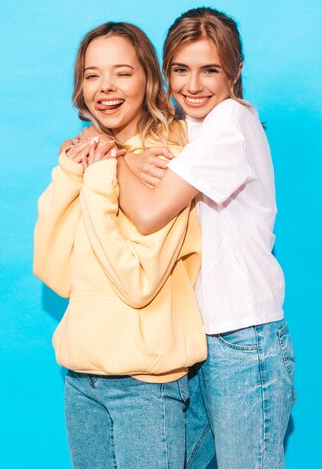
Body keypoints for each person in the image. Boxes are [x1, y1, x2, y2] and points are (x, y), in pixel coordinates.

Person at [117, 8, 296, 468]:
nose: (193, 85)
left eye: (209, 69)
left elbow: (151, 213)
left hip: (242, 334)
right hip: (197, 339)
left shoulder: (230, 121)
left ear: (235, 72)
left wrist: (113, 162)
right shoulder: (186, 131)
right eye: (180, 69)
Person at [33, 22, 205, 469]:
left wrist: (104, 173)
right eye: (92, 75)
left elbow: (138, 283)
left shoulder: (167, 158)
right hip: (81, 379)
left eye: (122, 72)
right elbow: (53, 271)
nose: (104, 88)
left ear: (149, 78)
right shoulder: (90, 152)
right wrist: (73, 171)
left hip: (146, 386)